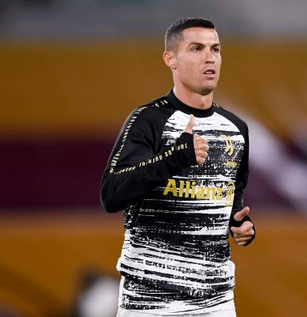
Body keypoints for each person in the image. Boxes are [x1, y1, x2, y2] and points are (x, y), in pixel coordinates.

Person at [100, 17, 255, 317]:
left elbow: (232, 198)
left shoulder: (237, 128)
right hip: (150, 304)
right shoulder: (148, 121)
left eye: (215, 49)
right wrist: (174, 157)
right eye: (196, 48)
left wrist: (239, 225)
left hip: (217, 303)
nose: (210, 57)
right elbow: (111, 193)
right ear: (170, 59)